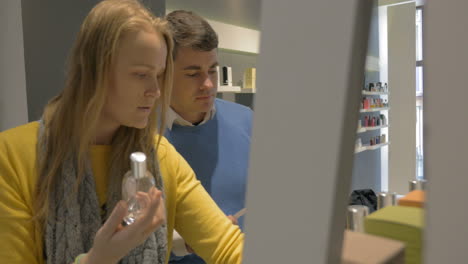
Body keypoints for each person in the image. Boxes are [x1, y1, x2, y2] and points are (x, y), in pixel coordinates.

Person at [0, 1, 243, 264]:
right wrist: (97, 260)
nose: (156, 91)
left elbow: (228, 247)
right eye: (141, 75)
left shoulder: (160, 156)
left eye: (159, 75)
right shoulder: (13, 156)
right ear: (94, 72)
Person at [164, 10, 253, 264]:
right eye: (193, 74)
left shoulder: (246, 120)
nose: (208, 84)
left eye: (212, 70)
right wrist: (185, 240)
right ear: (164, 72)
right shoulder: (141, 139)